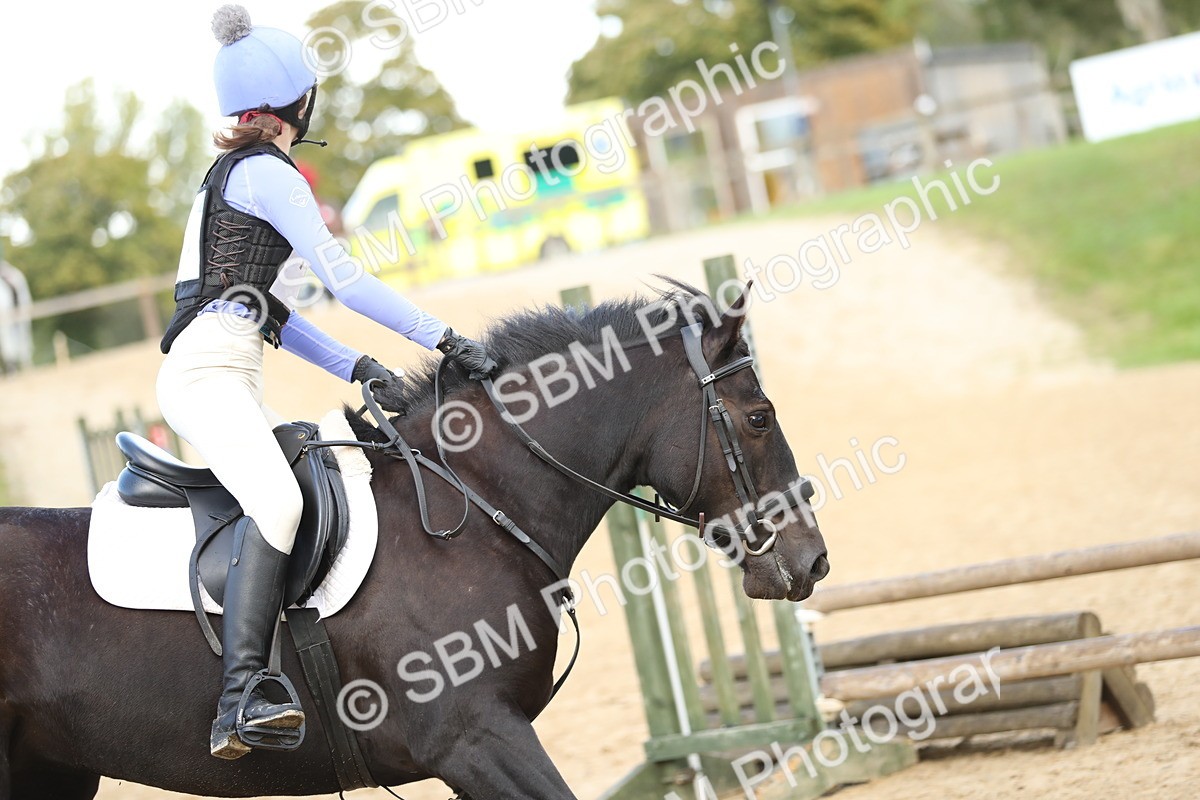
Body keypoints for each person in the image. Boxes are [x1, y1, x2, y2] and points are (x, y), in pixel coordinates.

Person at [157, 4, 496, 760]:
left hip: (227, 371)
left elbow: (269, 311)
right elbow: (346, 282)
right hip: (208, 377)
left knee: (326, 470)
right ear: (298, 103)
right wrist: (440, 337)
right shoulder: (271, 176)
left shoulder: (229, 179)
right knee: (277, 498)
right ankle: (239, 696)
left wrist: (357, 367)